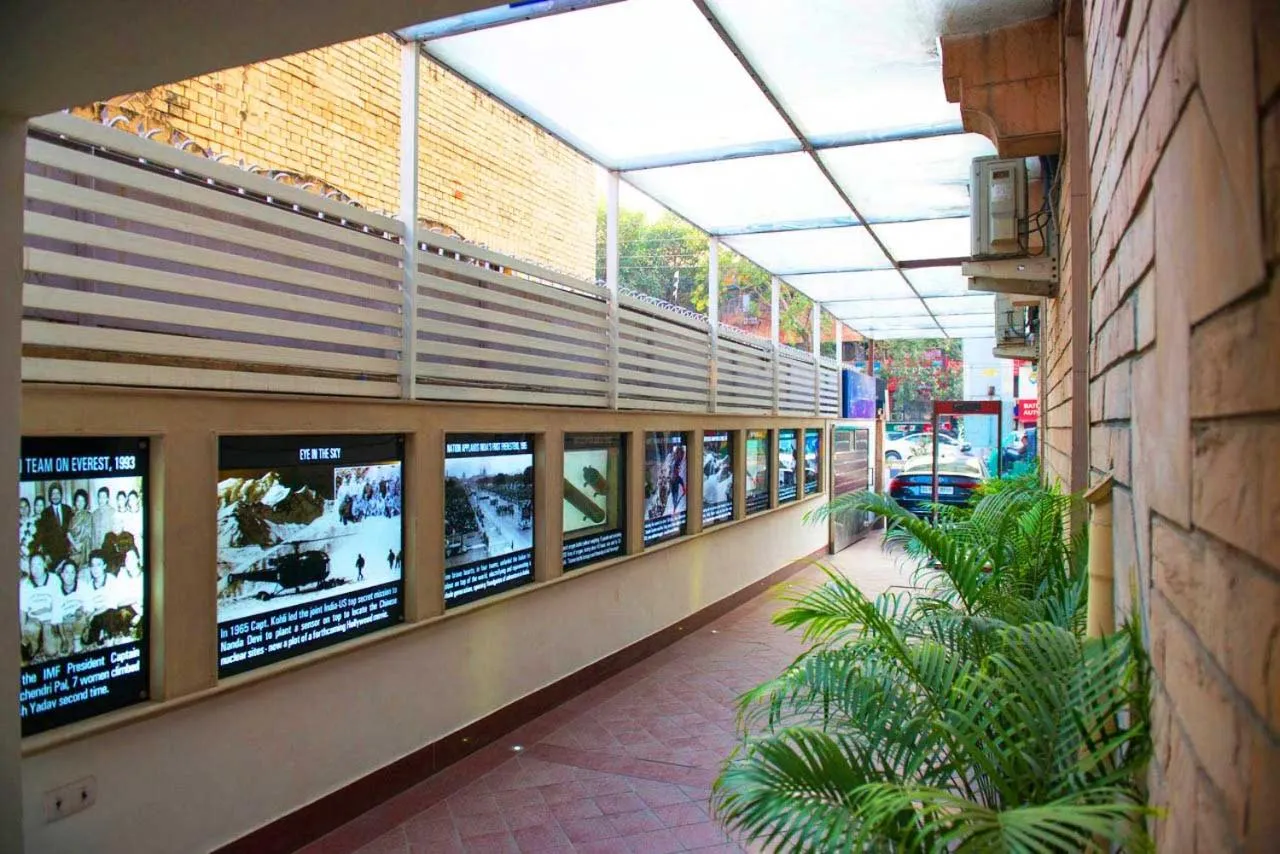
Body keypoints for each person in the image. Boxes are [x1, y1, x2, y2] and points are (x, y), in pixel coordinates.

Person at [19, 553, 62, 664]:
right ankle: (35, 644)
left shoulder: (54, 579)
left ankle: (46, 637)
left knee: (51, 651)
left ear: (44, 564)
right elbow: (23, 610)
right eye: (33, 565)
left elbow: (57, 604)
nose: (36, 568)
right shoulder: (25, 584)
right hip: (34, 619)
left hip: (49, 620)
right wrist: (23, 631)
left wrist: (55, 625)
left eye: (39, 564)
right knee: (30, 629)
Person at [34, 485, 72, 566]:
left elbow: (72, 530)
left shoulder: (68, 509)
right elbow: (42, 535)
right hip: (52, 555)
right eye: (53, 494)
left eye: (57, 493)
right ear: (50, 496)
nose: (55, 496)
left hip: (68, 552)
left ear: (61, 495)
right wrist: (46, 554)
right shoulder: (45, 512)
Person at [67, 488, 94, 567]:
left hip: (84, 549)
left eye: (82, 501)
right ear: (75, 502)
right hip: (72, 549)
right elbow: (68, 532)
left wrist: (80, 545)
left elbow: (88, 533)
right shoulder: (72, 516)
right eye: (78, 500)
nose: (80, 503)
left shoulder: (88, 516)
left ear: (85, 502)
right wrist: (74, 544)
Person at [90, 486, 116, 553]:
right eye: (100, 497)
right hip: (96, 549)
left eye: (104, 497)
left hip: (109, 548)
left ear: (107, 498)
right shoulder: (94, 514)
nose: (101, 499)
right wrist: (93, 549)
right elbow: (93, 534)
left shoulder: (113, 512)